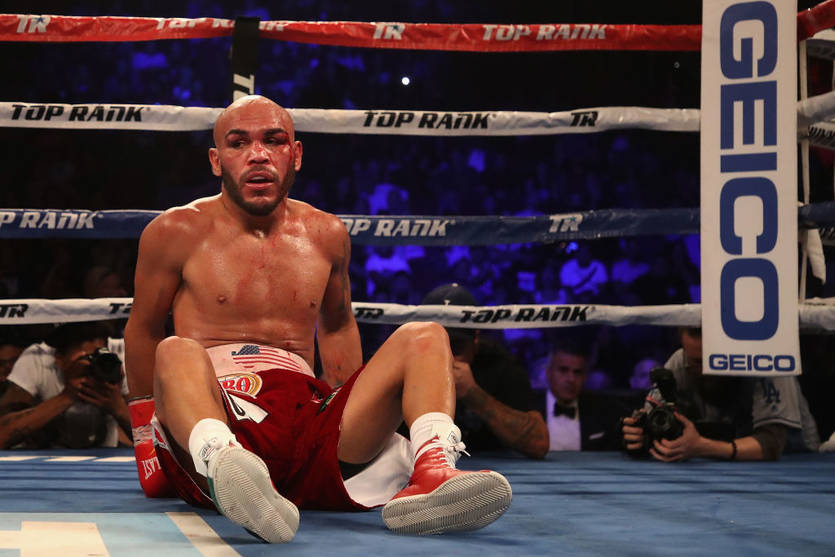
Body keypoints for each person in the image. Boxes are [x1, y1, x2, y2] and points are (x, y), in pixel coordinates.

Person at [123, 95, 511, 544]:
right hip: (221, 406)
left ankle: (434, 469)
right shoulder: (174, 231)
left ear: (296, 154)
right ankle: (224, 463)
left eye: (273, 140)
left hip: (307, 418)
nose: (258, 154)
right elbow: (145, 329)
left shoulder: (327, 234)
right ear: (216, 160)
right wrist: (146, 441)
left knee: (426, 335)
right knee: (175, 349)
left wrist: (349, 409)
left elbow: (337, 326)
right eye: (238, 143)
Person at [621, 327, 820, 462]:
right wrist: (640, 435)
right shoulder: (682, 362)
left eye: (705, 362)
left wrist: (702, 447)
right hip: (721, 461)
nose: (697, 368)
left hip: (796, 461)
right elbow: (652, 421)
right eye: (692, 360)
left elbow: (772, 444)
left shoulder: (766, 361)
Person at [420, 283, 548, 459]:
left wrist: (474, 395)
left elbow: (539, 443)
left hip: (497, 469)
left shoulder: (500, 364)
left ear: (475, 339)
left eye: (455, 346)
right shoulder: (404, 365)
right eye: (437, 346)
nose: (447, 357)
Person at [0, 322, 131, 449]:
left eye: (98, 357)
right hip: (48, 455)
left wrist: (117, 407)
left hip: (106, 453)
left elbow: (144, 436)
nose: (92, 365)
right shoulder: (38, 359)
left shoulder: (117, 361)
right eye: (87, 358)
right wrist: (66, 397)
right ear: (59, 358)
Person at [537, 340, 638, 451]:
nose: (571, 379)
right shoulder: (528, 409)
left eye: (578, 372)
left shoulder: (605, 411)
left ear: (585, 376)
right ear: (548, 372)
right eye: (563, 370)